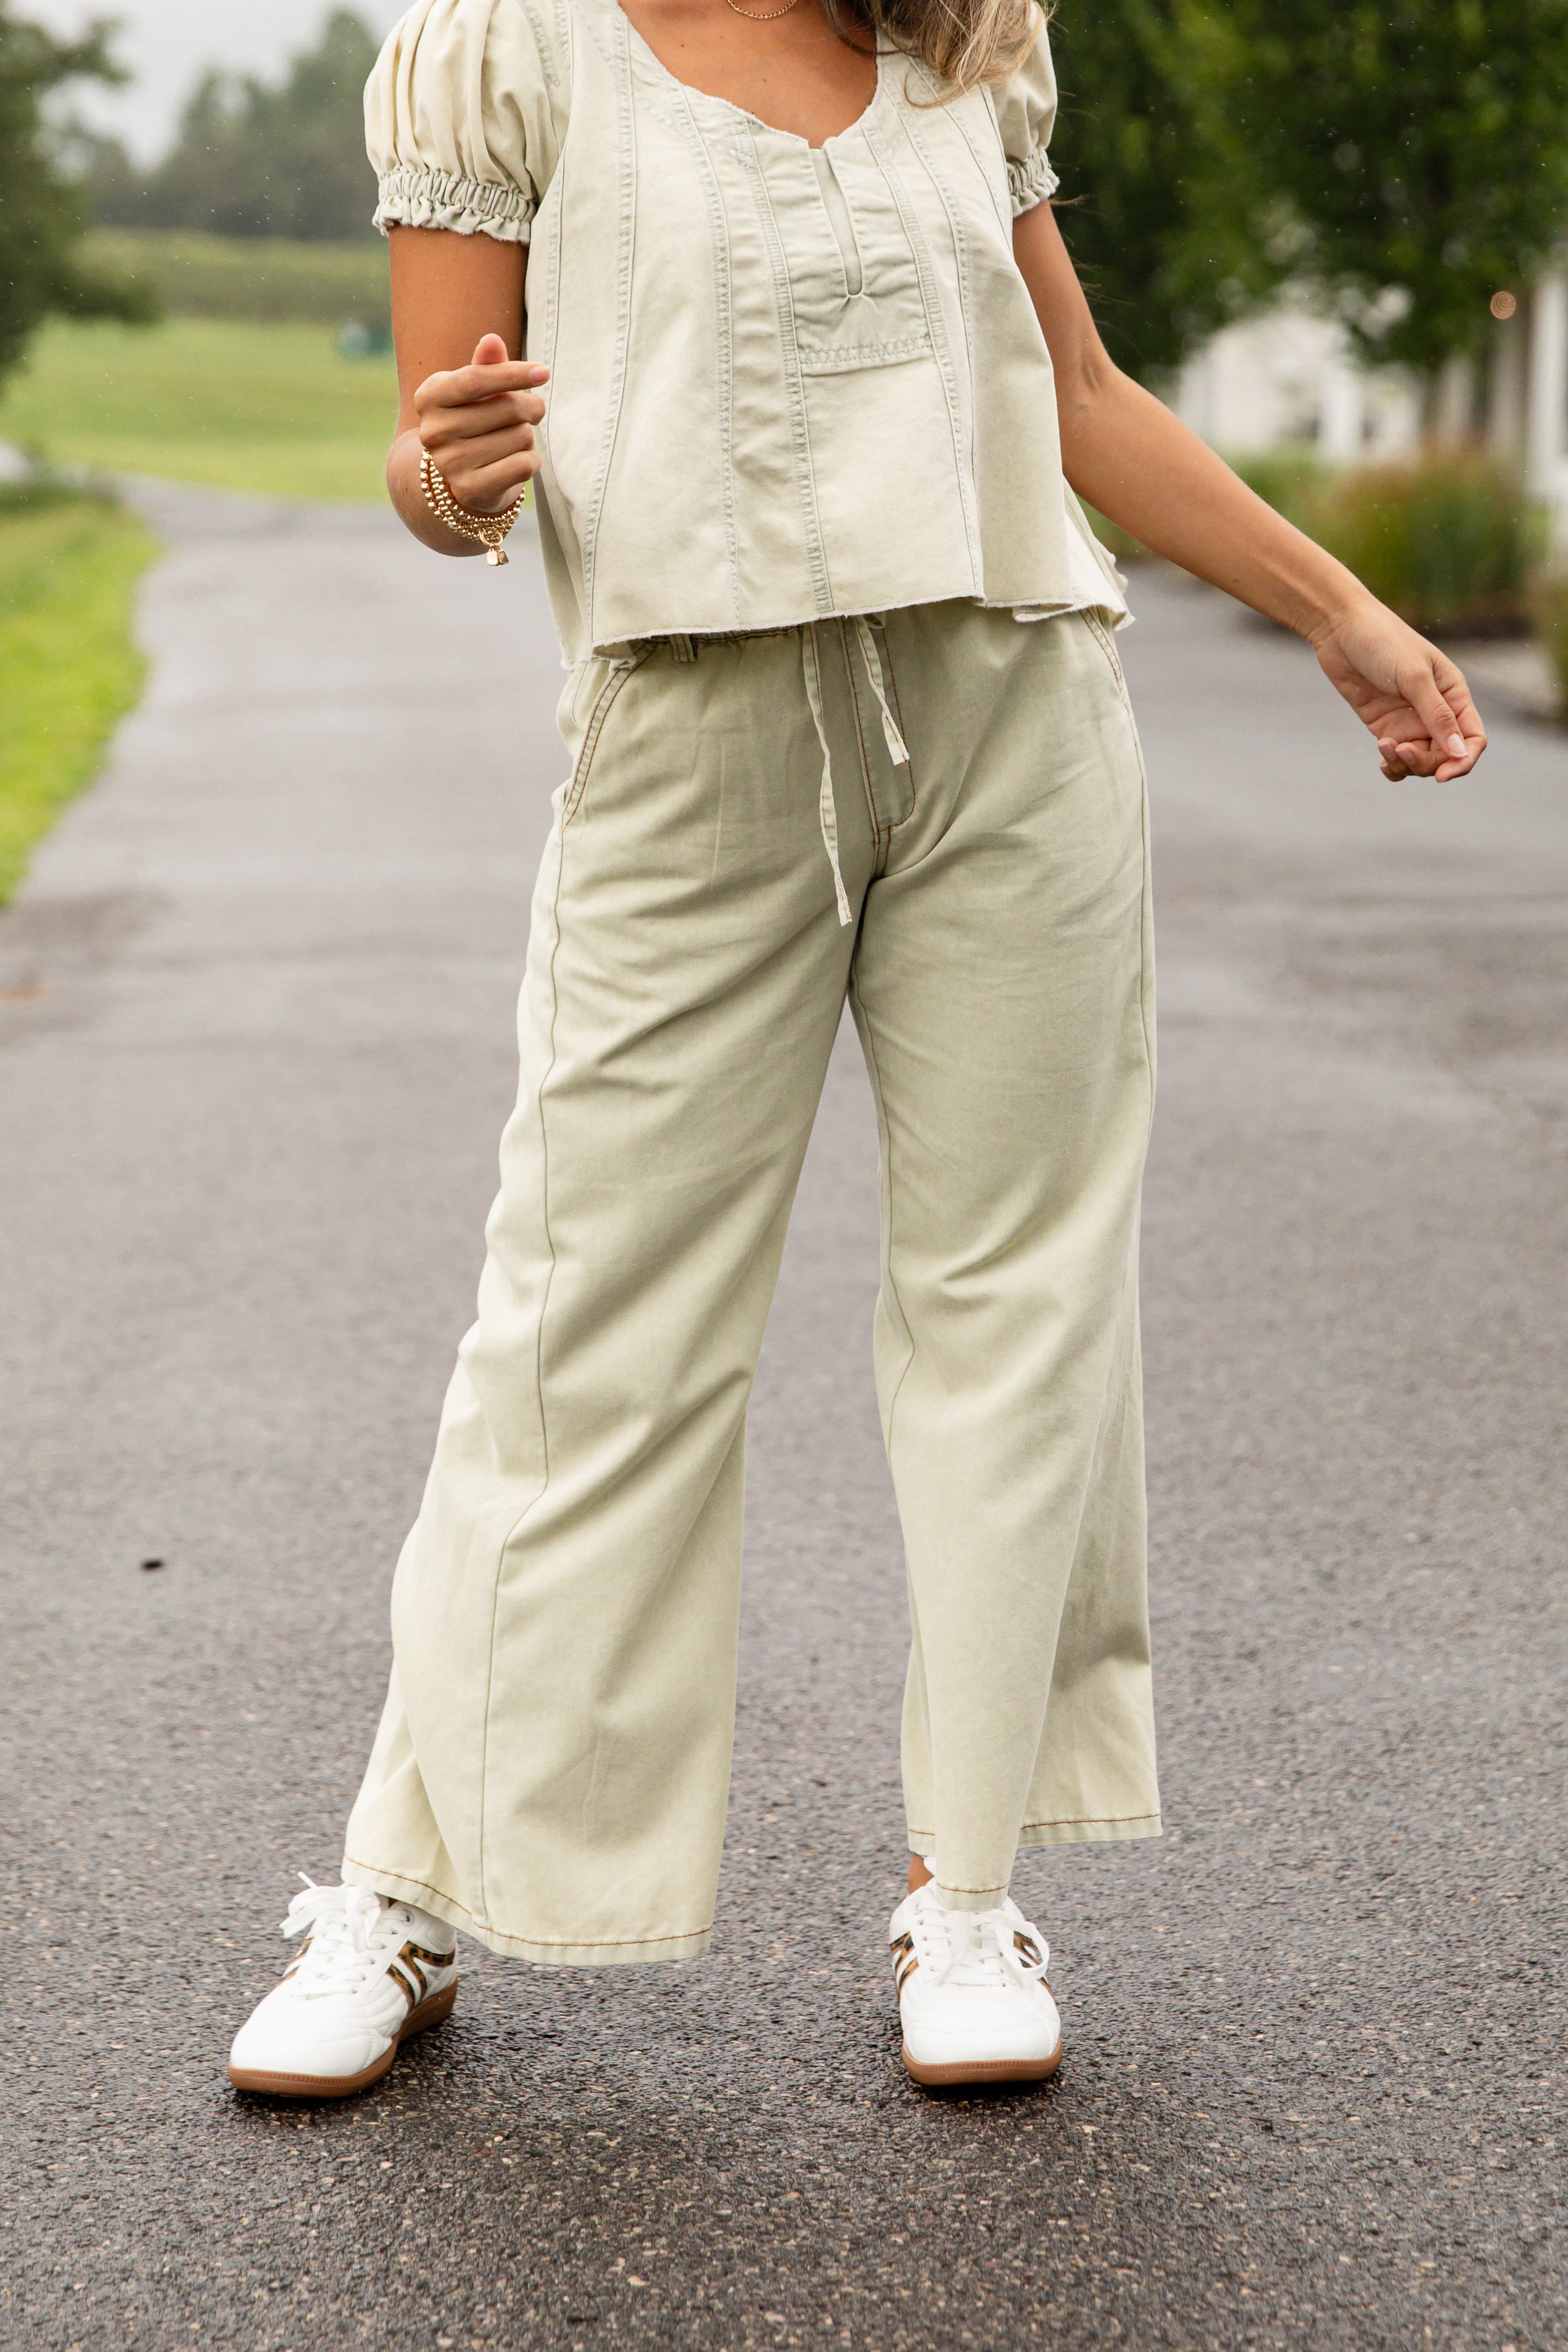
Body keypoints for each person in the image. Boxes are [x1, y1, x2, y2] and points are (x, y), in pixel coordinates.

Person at [227, 0, 1484, 2100]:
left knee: (1016, 1298)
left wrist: (1339, 611)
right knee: (582, 1318)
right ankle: (402, 1892)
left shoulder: (968, 35)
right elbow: (440, 455)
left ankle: (966, 1891)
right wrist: (439, 481)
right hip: (687, 734)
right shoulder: (502, 43)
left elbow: (1072, 390)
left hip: (1017, 711)